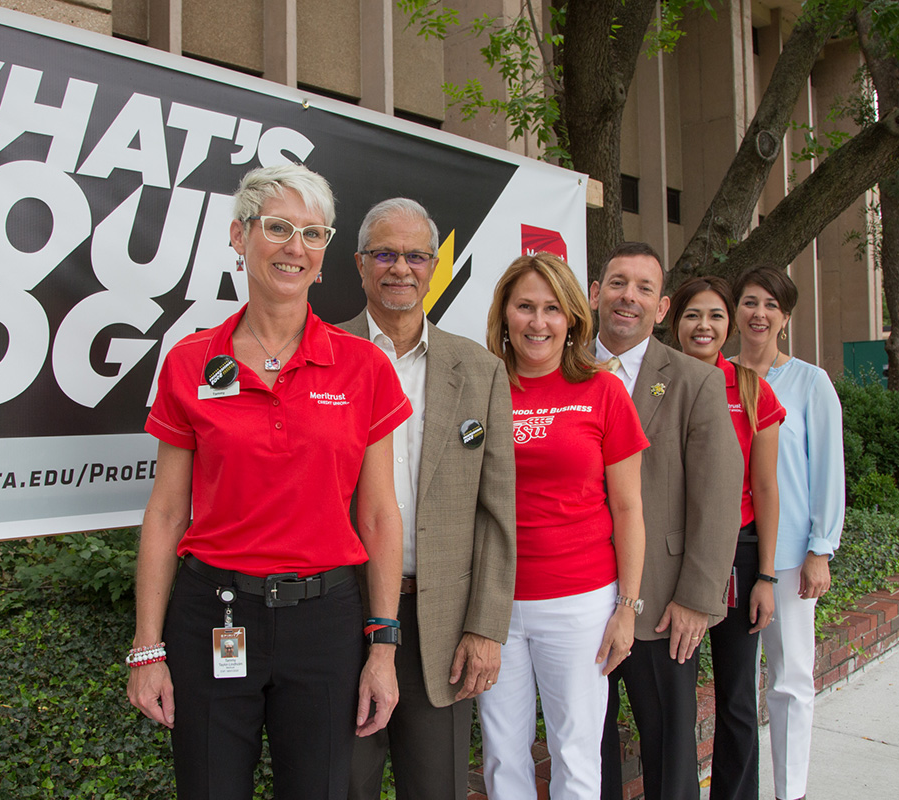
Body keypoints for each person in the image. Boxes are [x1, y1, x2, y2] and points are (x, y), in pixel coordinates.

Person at [126, 163, 412, 800]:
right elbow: (167, 514)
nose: (295, 248)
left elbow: (379, 517)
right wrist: (148, 648)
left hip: (325, 624)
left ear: (324, 256)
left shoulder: (364, 366)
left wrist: (383, 648)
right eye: (279, 228)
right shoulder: (191, 361)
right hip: (213, 617)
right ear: (239, 235)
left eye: (313, 235)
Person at [340, 199, 516, 800]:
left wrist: (486, 626)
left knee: (436, 789)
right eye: (385, 254)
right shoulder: (322, 357)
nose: (400, 268)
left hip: (439, 626)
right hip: (339, 613)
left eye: (416, 256)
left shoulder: (479, 369)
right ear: (360, 264)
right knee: (341, 785)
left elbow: (496, 513)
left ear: (435, 267)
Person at [478, 253, 647, 800]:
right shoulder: (480, 389)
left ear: (573, 317)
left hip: (579, 602)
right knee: (504, 756)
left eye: (552, 308)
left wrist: (628, 607)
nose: (538, 321)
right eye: (525, 306)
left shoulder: (604, 391)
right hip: (495, 604)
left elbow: (628, 509)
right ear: (504, 314)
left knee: (576, 755)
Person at [593, 242, 743, 800]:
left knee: (670, 748)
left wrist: (698, 598)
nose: (628, 296)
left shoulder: (693, 382)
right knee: (587, 747)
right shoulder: (562, 369)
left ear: (661, 309)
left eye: (644, 288)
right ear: (595, 293)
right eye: (617, 282)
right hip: (576, 595)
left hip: (661, 603)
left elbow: (719, 498)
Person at [669, 275, 786, 800]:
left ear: (729, 324)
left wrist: (765, 574)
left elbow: (765, 486)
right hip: (670, 558)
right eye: (694, 314)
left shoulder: (750, 387)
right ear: (676, 322)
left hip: (737, 555)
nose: (704, 325)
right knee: (675, 697)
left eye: (716, 315)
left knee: (737, 698)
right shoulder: (656, 382)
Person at [732, 267, 844, 800]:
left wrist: (822, 549)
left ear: (785, 317)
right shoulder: (716, 376)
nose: (758, 313)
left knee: (790, 678)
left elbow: (827, 471)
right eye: (749, 302)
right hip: (732, 550)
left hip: (793, 554)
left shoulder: (808, 382)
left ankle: (790, 791)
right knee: (735, 683)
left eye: (770, 305)